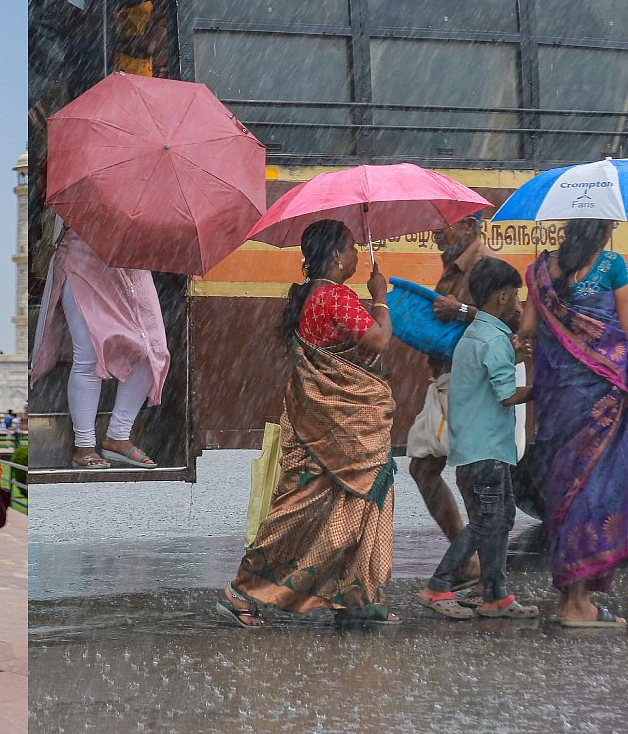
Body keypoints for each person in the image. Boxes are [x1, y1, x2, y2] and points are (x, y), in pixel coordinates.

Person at [216, 219, 398, 626]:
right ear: (336, 256)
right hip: (341, 431)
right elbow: (379, 340)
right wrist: (381, 299)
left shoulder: (313, 296)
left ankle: (355, 599)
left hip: (330, 429)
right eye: (352, 247)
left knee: (334, 507)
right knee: (303, 510)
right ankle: (242, 591)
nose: (357, 255)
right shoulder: (334, 297)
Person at [519, 218, 628, 627]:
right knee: (595, 488)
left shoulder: (539, 272)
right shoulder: (613, 265)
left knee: (563, 491)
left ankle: (569, 599)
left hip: (556, 401)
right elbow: (625, 332)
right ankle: (577, 603)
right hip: (600, 399)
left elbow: (527, 329)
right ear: (604, 228)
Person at [416, 259, 538, 620]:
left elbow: (486, 378)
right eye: (515, 296)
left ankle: (495, 594)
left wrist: (512, 356)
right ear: (501, 297)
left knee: (502, 517)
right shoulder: (494, 339)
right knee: (488, 519)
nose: (517, 304)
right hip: (488, 452)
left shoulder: (474, 336)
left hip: (476, 450)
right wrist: (544, 388)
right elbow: (506, 395)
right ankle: (438, 585)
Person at [30, 219, 168, 470]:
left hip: (132, 258)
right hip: (84, 253)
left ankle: (118, 436)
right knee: (89, 354)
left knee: (153, 352)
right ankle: (84, 446)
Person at [406, 213, 497, 582]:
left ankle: (485, 572)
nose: (435, 231)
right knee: (424, 468)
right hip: (448, 379)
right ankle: (471, 561)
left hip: (473, 384)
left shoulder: (485, 264)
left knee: (470, 477)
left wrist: (460, 311)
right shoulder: (454, 264)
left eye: (446, 224)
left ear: (470, 226)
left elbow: (510, 321)